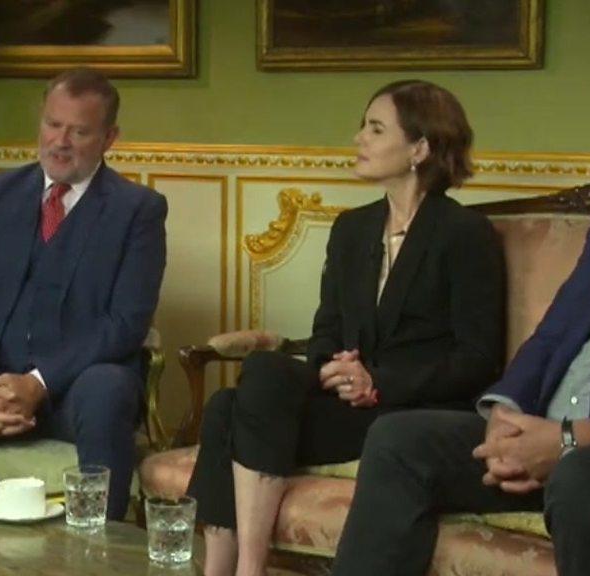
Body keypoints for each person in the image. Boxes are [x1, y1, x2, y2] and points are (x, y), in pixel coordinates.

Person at [332, 53, 590, 576]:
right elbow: (555, 331)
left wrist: (572, 439)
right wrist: (505, 415)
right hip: (545, 435)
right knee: (400, 439)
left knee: (585, 476)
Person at [186, 80, 506, 576]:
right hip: (345, 405)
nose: (359, 138)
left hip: (407, 417)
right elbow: (327, 327)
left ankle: (248, 570)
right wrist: (331, 366)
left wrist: (379, 383)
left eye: (376, 129)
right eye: (364, 126)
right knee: (249, 386)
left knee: (232, 406)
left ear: (420, 148)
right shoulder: (352, 229)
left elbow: (478, 356)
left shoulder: (464, 235)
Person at [0, 68, 167, 520]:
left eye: (79, 131)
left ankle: (97, 550)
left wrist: (37, 384)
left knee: (107, 394)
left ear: (109, 137)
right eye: (52, 124)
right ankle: (6, 527)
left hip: (74, 388)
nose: (60, 141)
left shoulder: (137, 211)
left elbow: (126, 323)